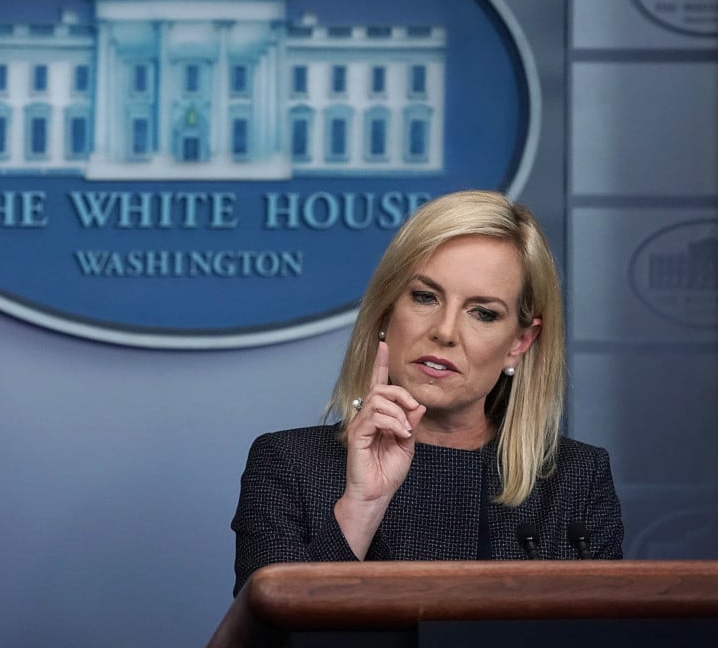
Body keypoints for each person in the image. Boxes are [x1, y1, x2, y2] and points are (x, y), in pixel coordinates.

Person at [231, 190, 623, 594]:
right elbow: (271, 632)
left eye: (483, 313)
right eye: (425, 297)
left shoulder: (578, 478)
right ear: (387, 311)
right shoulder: (288, 466)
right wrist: (362, 506)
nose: (445, 331)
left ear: (519, 343)